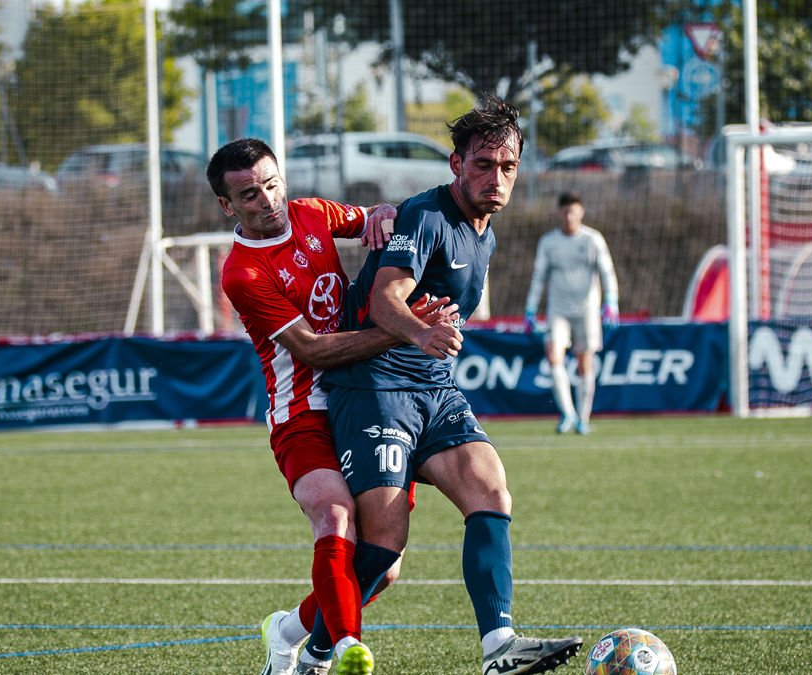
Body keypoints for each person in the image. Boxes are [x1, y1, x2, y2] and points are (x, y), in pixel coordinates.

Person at [321, 95, 584, 675]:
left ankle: (499, 648)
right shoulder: (426, 216)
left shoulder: (483, 234)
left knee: (490, 490)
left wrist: (427, 345)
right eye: (483, 164)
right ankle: (304, 642)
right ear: (455, 164)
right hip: (374, 387)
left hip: (432, 388)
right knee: (384, 550)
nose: (496, 177)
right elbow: (384, 297)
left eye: (507, 167)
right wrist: (420, 333)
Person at [208, 138, 455, 675]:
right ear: (228, 206)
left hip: (367, 397)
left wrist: (386, 214)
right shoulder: (241, 274)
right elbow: (314, 350)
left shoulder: (313, 213)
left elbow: (378, 219)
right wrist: (409, 332)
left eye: (272, 184)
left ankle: (290, 630)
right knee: (334, 514)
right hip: (301, 413)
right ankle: (337, 652)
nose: (267, 200)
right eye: (249, 194)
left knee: (381, 567)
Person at [522, 192, 620, 435]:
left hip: (587, 310)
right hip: (558, 311)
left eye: (573, 212)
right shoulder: (549, 242)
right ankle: (567, 413)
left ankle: (583, 418)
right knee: (554, 357)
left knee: (584, 363)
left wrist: (611, 300)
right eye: (565, 212)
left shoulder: (592, 239)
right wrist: (531, 307)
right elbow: (538, 277)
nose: (569, 217)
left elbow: (607, 271)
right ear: (559, 213)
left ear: (581, 213)